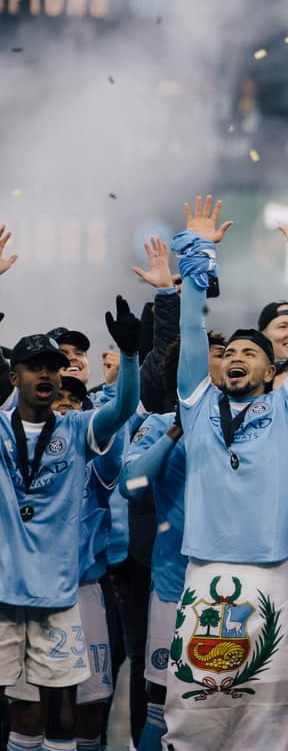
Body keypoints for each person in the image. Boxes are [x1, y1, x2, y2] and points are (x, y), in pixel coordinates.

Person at [163, 196, 288, 750]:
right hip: (202, 568)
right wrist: (198, 257)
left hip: (269, 573)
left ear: (271, 367)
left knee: (263, 716)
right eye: (230, 350)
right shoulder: (197, 403)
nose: (236, 356)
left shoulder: (286, 407)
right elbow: (189, 326)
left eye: (250, 352)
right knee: (193, 711)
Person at [0, 297, 141, 751]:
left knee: (62, 714)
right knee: (18, 713)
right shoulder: (0, 429)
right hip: (3, 595)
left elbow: (122, 411)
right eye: (35, 366)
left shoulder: (77, 428)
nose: (46, 374)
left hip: (59, 597)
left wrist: (132, 358)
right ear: (13, 376)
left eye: (53, 367)